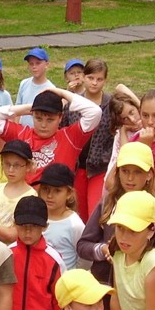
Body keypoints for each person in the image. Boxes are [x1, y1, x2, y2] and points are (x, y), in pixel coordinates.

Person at [77, 142, 155, 291]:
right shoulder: (107, 203)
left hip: (141, 289)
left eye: (137, 172)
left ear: (149, 174)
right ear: (117, 172)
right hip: (104, 286)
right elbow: (83, 245)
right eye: (125, 171)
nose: (130, 178)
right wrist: (103, 249)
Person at [0, 87, 102, 185]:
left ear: (60, 118)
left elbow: (95, 112)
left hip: (56, 198)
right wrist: (29, 108)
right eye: (38, 118)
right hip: (24, 198)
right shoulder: (21, 133)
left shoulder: (70, 137)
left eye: (50, 120)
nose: (43, 125)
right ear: (32, 115)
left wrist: (62, 93)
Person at [62, 59, 112, 222]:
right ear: (83, 77)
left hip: (99, 168)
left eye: (99, 79)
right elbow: (63, 131)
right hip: (77, 167)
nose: (95, 83)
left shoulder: (111, 105)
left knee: (95, 213)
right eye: (91, 78)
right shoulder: (73, 104)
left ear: (105, 80)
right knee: (79, 213)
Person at [31, 163, 83, 272]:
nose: (50, 195)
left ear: (69, 193)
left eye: (57, 191)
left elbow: (84, 259)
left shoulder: (75, 225)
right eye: (46, 189)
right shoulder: (34, 215)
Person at [0, 139, 37, 244]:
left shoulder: (31, 198)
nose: (11, 170)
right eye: (7, 164)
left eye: (17, 165)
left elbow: (12, 235)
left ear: (28, 166)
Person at [14, 47, 55, 126]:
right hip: (22, 129)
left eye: (38, 63)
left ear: (46, 64)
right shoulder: (24, 84)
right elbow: (17, 110)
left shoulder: (51, 89)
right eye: (31, 64)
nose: (34, 67)